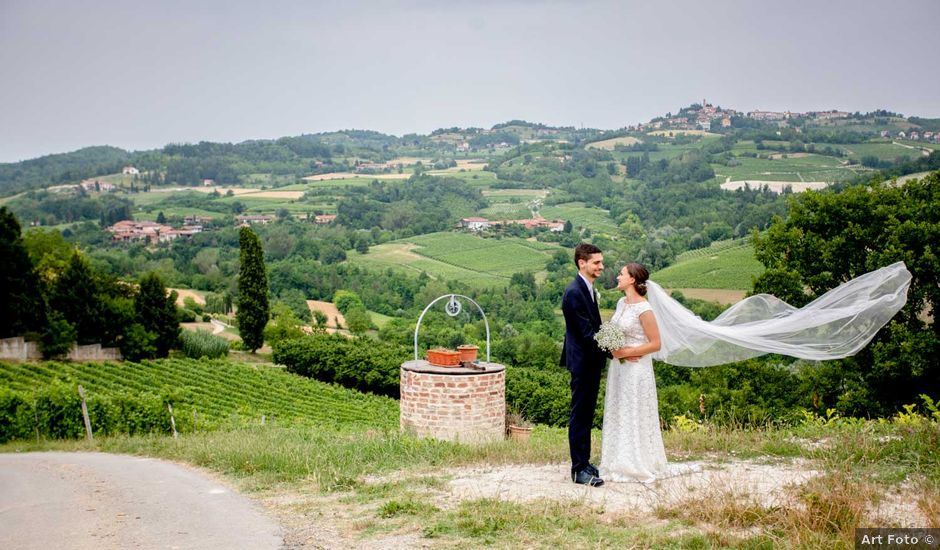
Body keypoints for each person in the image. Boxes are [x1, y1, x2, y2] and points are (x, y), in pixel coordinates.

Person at [599, 262, 694, 482]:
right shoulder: (621, 302)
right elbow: (615, 331)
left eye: (621, 274)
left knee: (634, 410)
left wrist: (627, 352)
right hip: (619, 368)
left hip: (636, 368)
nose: (617, 277)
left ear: (632, 279)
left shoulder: (644, 309)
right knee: (619, 409)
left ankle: (636, 462)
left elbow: (656, 344)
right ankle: (616, 460)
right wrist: (613, 348)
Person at [560, 243, 610, 487]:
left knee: (587, 413)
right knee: (580, 414)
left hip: (590, 361)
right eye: (596, 262)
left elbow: (596, 328)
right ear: (582, 262)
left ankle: (585, 461)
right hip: (582, 362)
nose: (601, 266)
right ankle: (578, 469)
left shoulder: (588, 288)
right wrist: (616, 350)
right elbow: (587, 334)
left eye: (601, 262)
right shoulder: (574, 292)